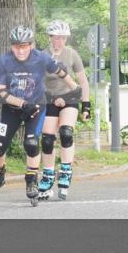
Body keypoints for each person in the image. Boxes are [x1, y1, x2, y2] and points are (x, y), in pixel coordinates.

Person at [0, 25, 78, 205]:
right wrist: (22, 103)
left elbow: (61, 72)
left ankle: (31, 181)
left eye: (24, 46)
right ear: (11, 46)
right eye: (17, 46)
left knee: (32, 144)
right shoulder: (3, 61)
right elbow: (0, 92)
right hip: (12, 108)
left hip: (36, 108)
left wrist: (75, 90)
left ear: (31, 45)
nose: (21, 50)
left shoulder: (42, 58)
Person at [37, 20, 91, 201]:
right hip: (49, 99)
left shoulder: (72, 54)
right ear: (50, 37)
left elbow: (82, 81)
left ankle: (66, 170)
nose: (59, 41)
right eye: (56, 38)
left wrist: (86, 104)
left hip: (70, 98)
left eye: (63, 38)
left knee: (66, 133)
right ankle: (48, 174)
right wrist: (52, 98)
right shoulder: (42, 55)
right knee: (47, 140)